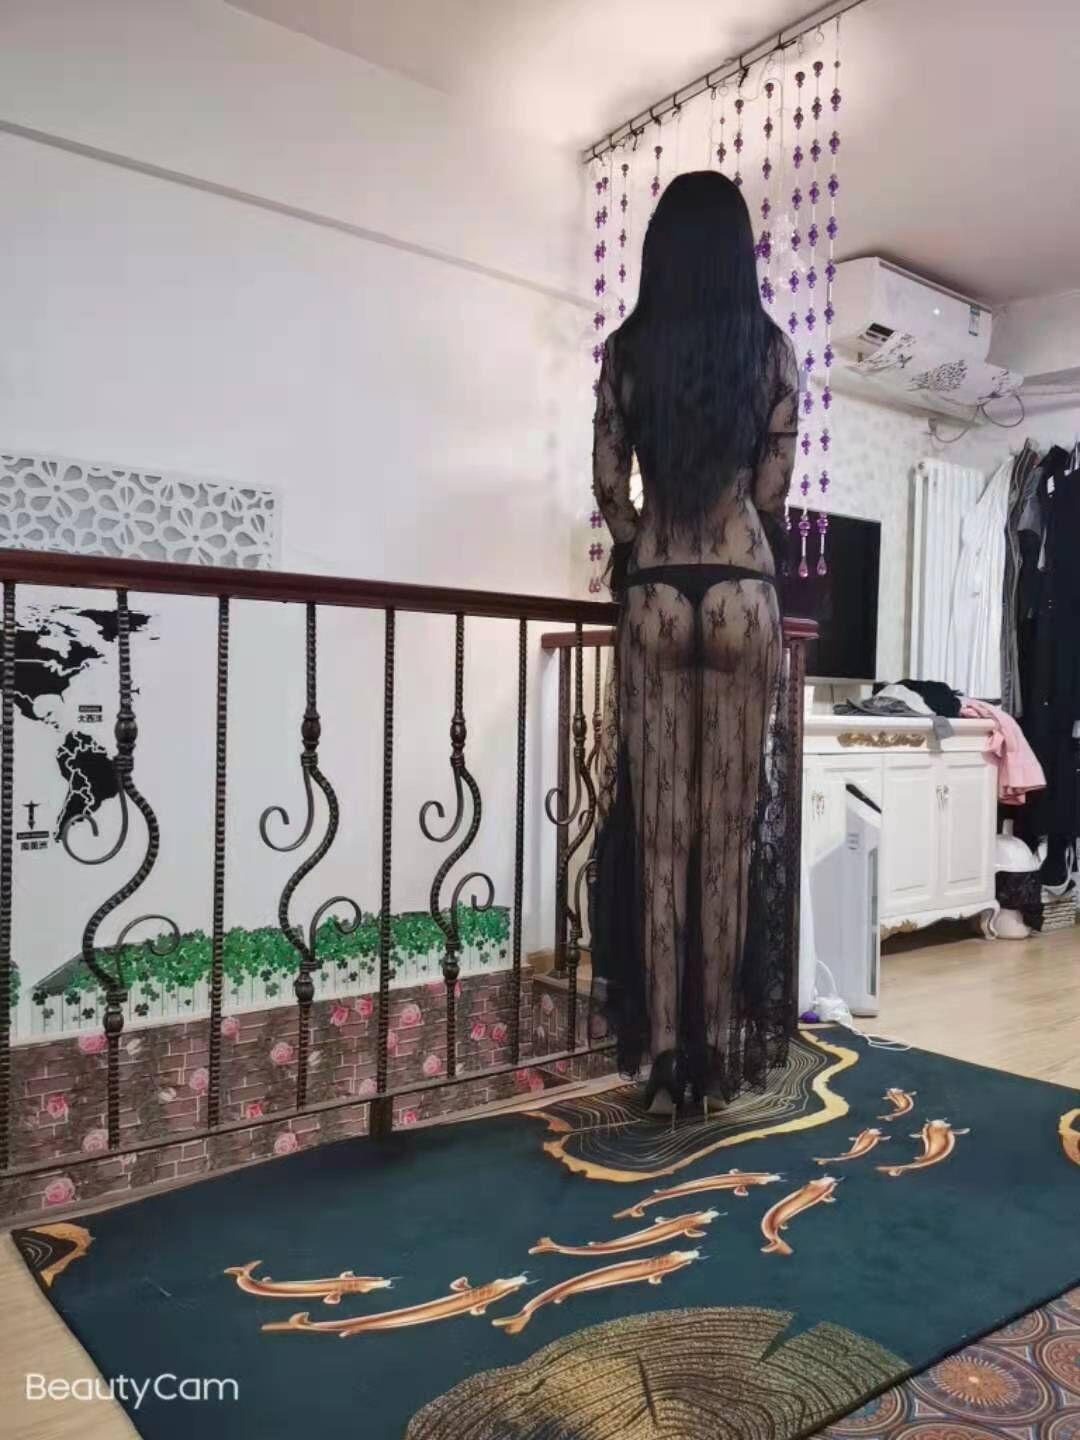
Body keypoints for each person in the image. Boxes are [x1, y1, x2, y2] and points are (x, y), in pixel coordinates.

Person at [590, 169, 799, 1116]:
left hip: (657, 590)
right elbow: (772, 489)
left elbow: (609, 485)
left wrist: (643, 547)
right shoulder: (770, 350)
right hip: (742, 587)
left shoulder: (628, 349)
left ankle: (667, 1059)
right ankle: (715, 1052)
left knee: (662, 840)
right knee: (726, 842)